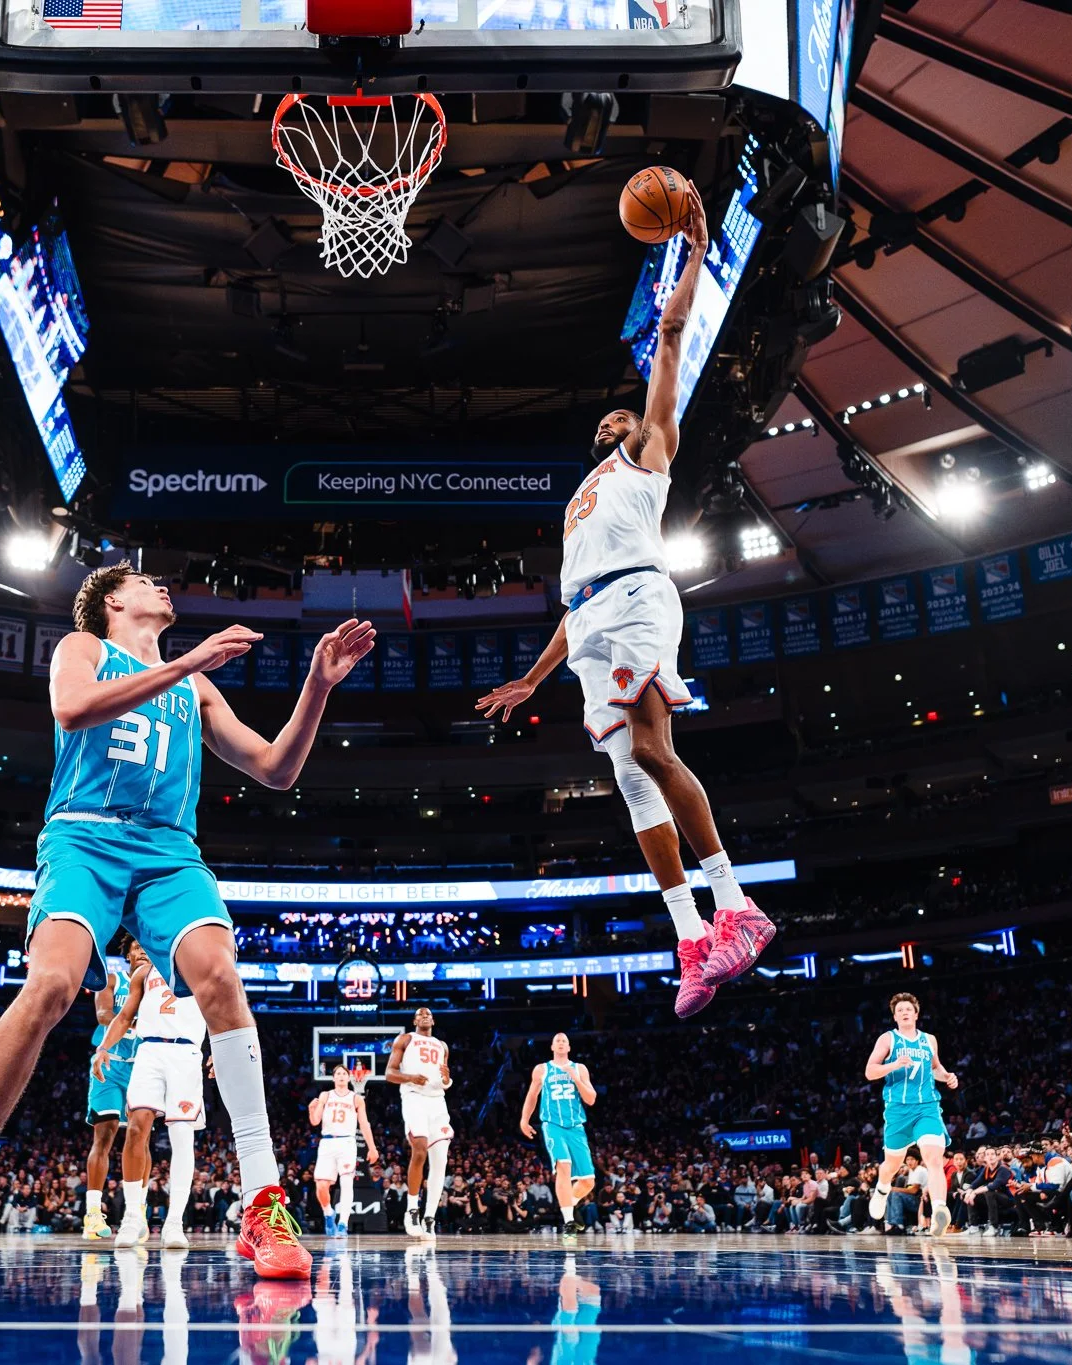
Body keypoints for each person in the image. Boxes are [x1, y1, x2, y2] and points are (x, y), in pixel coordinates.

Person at [0, 565, 373, 1280]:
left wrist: (317, 686)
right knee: (52, 985)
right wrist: (186, 661)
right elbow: (72, 709)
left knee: (221, 977)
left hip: (169, 850)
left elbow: (275, 769)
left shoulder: (197, 686)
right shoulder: (84, 648)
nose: (164, 587)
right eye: (147, 581)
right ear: (113, 600)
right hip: (83, 836)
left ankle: (263, 1200)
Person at [473, 206, 771, 1020]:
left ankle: (737, 905)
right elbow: (573, 603)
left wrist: (696, 253)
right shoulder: (580, 497)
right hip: (590, 623)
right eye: (605, 421)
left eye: (623, 415)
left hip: (640, 598)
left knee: (650, 746)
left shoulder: (650, 451)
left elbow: (670, 337)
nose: (613, 421)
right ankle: (691, 937)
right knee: (633, 782)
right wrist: (533, 678)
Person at [93, 940, 208, 1250]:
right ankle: (133, 1218)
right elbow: (124, 1016)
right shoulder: (143, 973)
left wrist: (219, 1052)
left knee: (181, 1136)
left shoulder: (198, 965)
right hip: (149, 1052)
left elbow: (218, 1010)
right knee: (136, 1128)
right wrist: (103, 1048)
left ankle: (174, 1223)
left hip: (186, 1053)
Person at [864, 993, 959, 1237]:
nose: (905, 1012)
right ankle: (882, 1189)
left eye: (909, 1009)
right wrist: (894, 1064)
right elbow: (870, 1071)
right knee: (892, 1165)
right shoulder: (888, 1039)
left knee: (933, 1158)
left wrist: (947, 1076)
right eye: (900, 1010)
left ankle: (939, 1209)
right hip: (898, 1110)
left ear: (916, 1014)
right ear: (895, 1017)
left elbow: (935, 1068)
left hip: (927, 1107)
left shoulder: (929, 1040)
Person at [82, 951, 140, 1240]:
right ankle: (93, 1213)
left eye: (146, 948)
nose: (143, 953)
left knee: (140, 1139)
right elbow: (103, 1014)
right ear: (129, 954)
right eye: (137, 948)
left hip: (142, 1067)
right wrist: (133, 1021)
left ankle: (137, 1213)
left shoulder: (157, 986)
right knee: (104, 1137)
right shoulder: (114, 981)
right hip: (110, 1065)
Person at [518, 1033, 597, 1240]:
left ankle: (569, 1204)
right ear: (552, 1047)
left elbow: (591, 1099)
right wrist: (524, 1120)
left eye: (564, 1041)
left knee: (588, 1182)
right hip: (553, 1125)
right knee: (564, 1165)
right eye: (557, 1041)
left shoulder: (579, 1068)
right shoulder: (542, 1069)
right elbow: (532, 1095)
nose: (561, 1043)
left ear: (569, 1047)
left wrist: (575, 1078)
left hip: (576, 1127)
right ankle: (569, 1222)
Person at [384, 1009, 453, 1239]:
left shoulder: (442, 1046)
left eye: (428, 1014)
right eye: (420, 1014)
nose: (424, 1015)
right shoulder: (405, 1039)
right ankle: (412, 1210)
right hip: (414, 1098)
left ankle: (429, 1217)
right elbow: (389, 1073)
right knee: (420, 1149)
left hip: (437, 1102)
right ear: (415, 1020)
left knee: (440, 1161)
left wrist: (447, 1079)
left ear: (433, 1020)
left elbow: (444, 1081)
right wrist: (410, 1077)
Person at [309, 1065, 378, 1238]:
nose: (341, 1076)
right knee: (321, 1185)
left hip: (347, 1142)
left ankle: (342, 1224)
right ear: (333, 1078)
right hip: (327, 1141)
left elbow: (364, 1124)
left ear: (349, 1078)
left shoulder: (356, 1099)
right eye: (338, 1073)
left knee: (347, 1183)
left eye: (344, 1074)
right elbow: (315, 1121)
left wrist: (372, 1147)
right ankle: (328, 1213)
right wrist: (311, 1109)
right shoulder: (325, 1095)